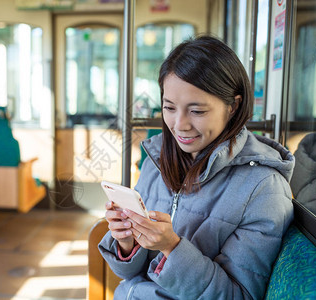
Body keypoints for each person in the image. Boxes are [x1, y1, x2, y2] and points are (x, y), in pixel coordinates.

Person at [99, 35, 295, 299]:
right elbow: (130, 274)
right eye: (169, 107)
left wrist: (172, 247)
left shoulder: (264, 189)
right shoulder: (156, 161)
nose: (180, 124)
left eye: (197, 111)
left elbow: (239, 296)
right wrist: (126, 241)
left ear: (233, 106)